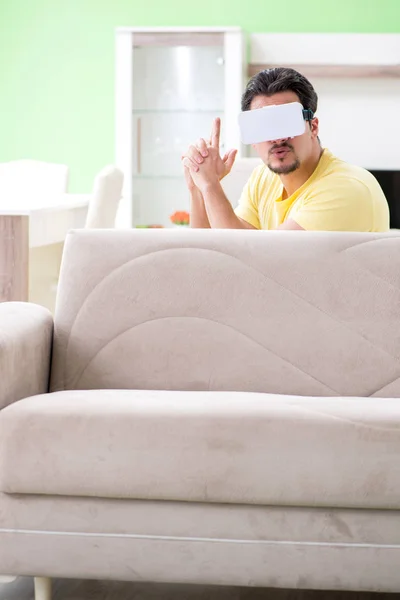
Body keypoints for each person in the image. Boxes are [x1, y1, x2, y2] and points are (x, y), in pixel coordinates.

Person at [182, 67, 390, 231]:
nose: (277, 137)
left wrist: (211, 187)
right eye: (263, 126)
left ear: (313, 127)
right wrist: (199, 188)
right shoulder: (263, 177)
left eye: (286, 122)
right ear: (254, 139)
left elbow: (254, 260)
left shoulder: (346, 188)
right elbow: (209, 254)